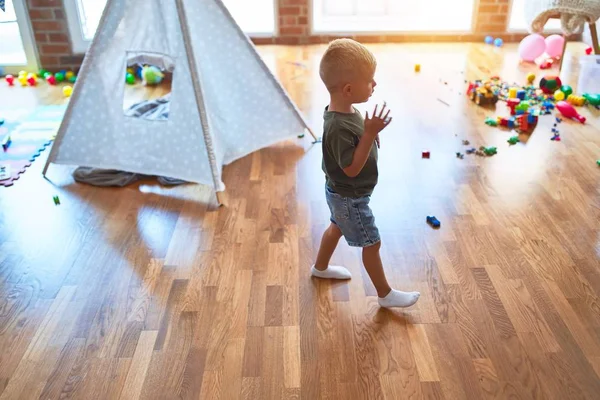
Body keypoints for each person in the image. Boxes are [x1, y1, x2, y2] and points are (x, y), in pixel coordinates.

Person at [311, 38, 420, 308]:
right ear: (348, 89)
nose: (375, 85)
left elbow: (355, 142)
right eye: (370, 80)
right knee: (372, 243)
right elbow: (351, 168)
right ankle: (385, 294)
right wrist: (369, 134)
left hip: (341, 195)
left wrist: (368, 136)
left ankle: (320, 268)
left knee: (336, 227)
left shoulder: (348, 110)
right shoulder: (336, 126)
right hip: (350, 196)